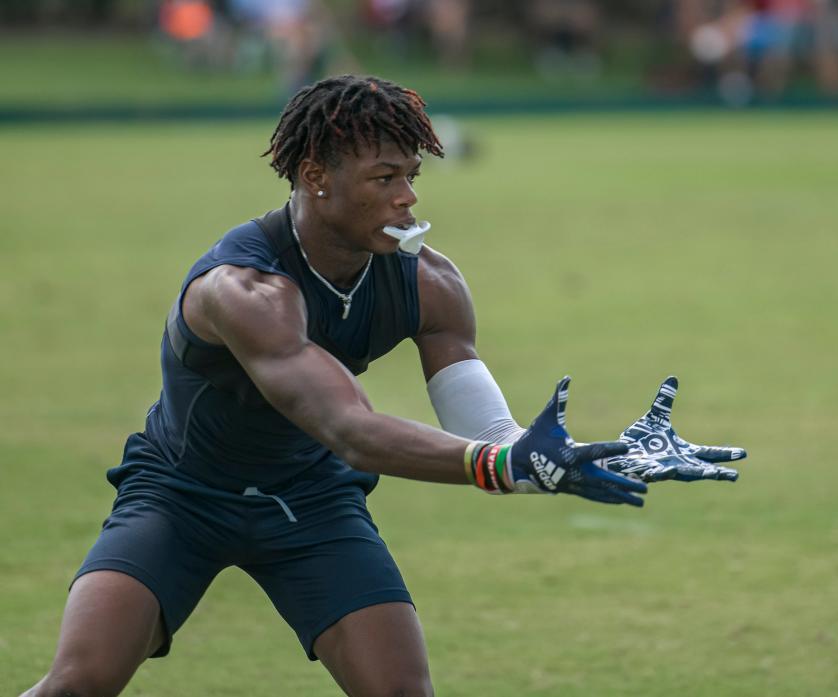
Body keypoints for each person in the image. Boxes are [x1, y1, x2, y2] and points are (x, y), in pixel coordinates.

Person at [21, 74, 746, 697]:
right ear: (316, 177)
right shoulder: (242, 289)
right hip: (182, 493)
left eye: (411, 177)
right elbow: (351, 430)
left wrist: (578, 458)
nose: (406, 197)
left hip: (309, 499)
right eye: (384, 178)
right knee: (79, 683)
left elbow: (493, 442)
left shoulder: (430, 283)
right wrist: (505, 464)